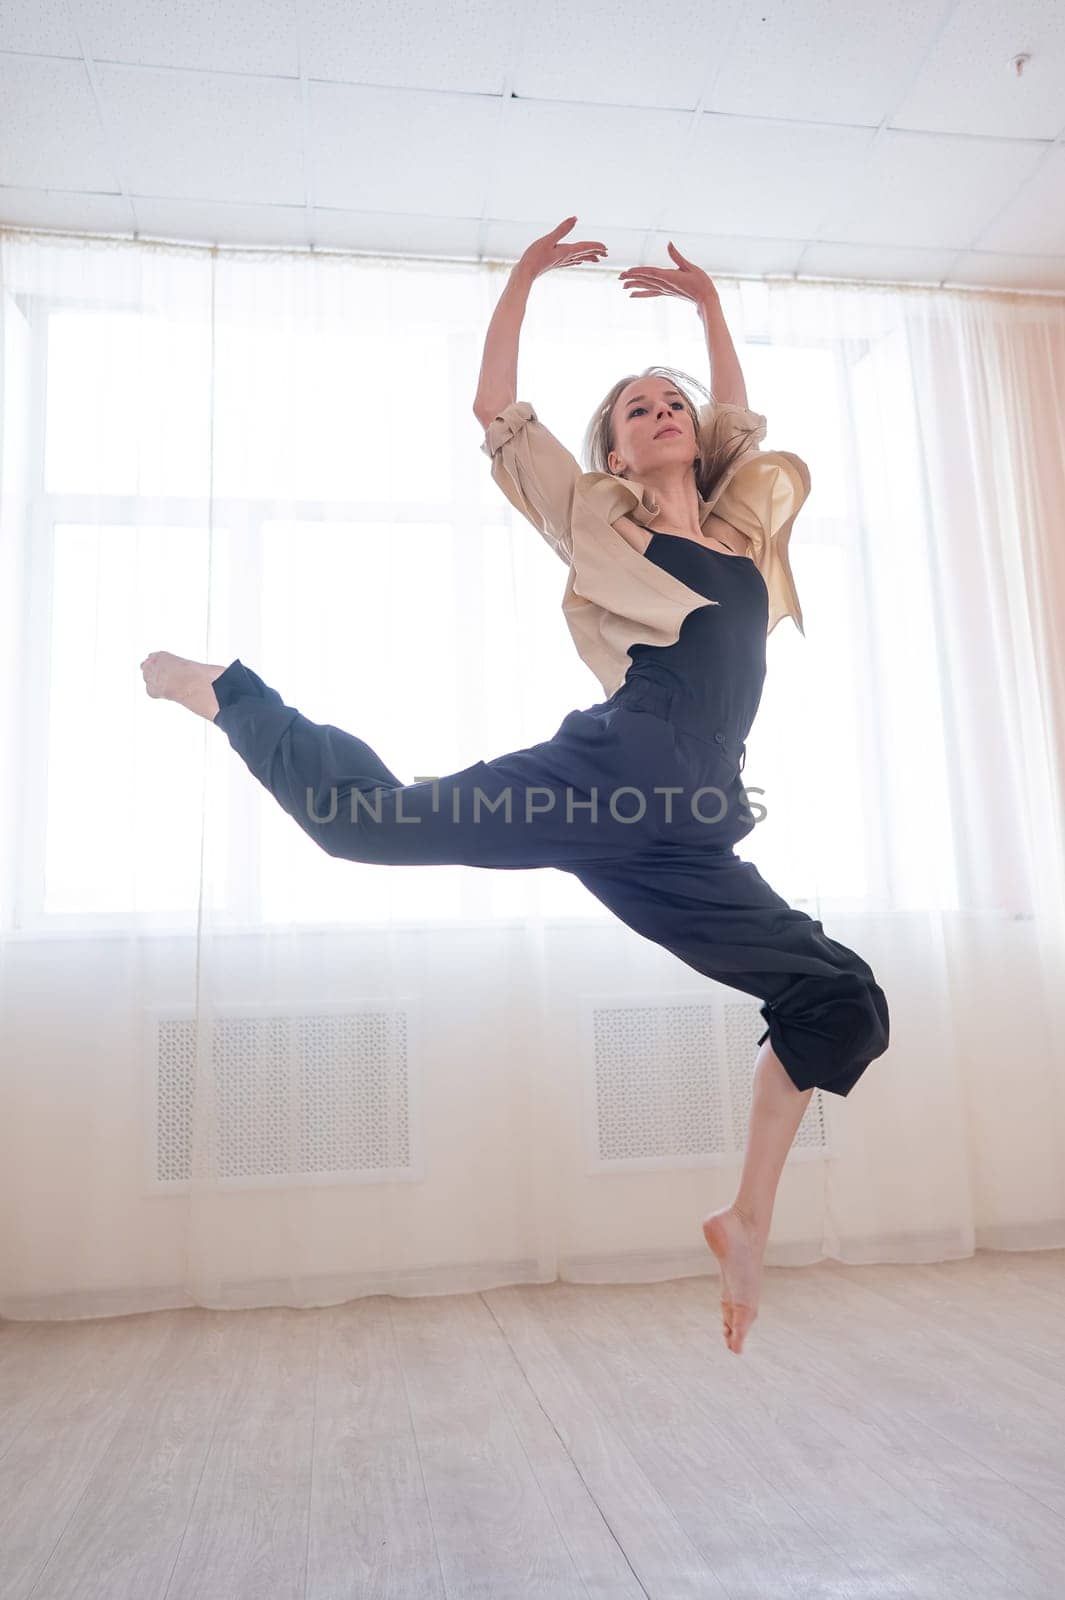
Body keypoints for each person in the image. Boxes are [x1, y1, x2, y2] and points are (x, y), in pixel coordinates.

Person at [140, 217, 889, 1356]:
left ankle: (747, 1221)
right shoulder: (596, 518)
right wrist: (526, 278)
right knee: (368, 826)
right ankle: (229, 692)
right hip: (612, 776)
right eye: (634, 409)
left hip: (686, 833)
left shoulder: (741, 532)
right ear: (617, 454)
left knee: (842, 997)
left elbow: (740, 411)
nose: (662, 411)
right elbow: (499, 412)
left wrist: (706, 307)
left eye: (669, 399)